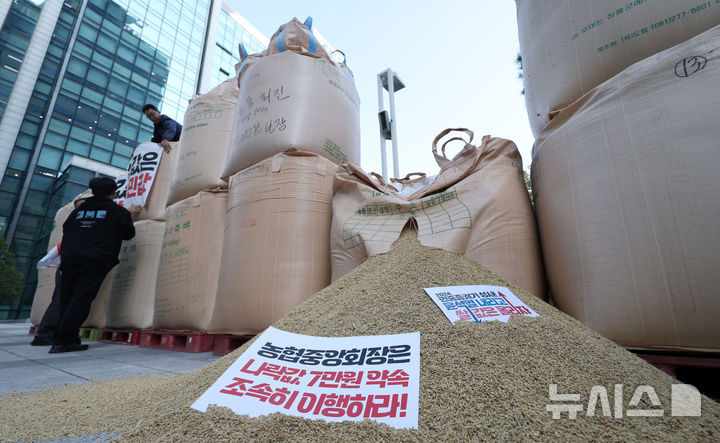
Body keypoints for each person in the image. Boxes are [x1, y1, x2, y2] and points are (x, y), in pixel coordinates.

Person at [50, 177, 135, 353]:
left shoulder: (78, 212)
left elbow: (67, 230)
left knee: (67, 297)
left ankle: (63, 336)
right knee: (82, 297)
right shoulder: (119, 212)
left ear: (93, 191)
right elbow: (129, 234)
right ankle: (64, 340)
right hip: (96, 260)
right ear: (114, 193)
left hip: (71, 259)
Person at [30, 198, 86, 346]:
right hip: (69, 266)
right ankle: (46, 334)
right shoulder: (77, 222)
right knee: (61, 300)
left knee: (66, 300)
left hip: (71, 264)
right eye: (81, 205)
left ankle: (52, 333)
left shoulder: (78, 221)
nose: (85, 207)